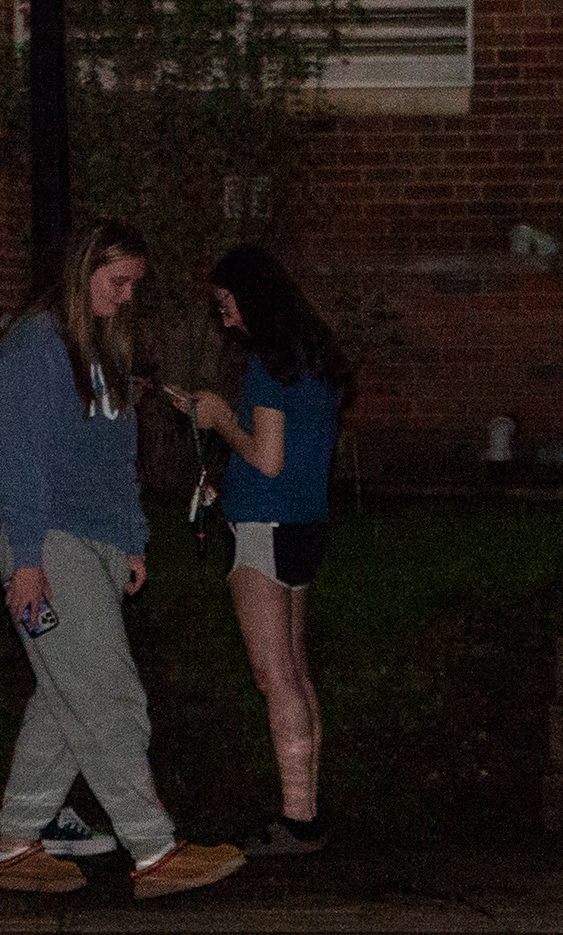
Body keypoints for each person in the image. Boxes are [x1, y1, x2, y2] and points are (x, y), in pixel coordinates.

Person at [0, 219, 243, 902]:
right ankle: (154, 850)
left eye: (135, 284)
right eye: (118, 280)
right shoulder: (32, 349)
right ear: (83, 269)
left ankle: (16, 844)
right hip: (47, 545)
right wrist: (29, 561)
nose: (128, 296)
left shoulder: (104, 348)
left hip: (95, 544)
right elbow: (18, 465)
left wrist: (132, 538)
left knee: (66, 694)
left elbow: (116, 455)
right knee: (110, 695)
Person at [163, 244, 350, 857]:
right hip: (304, 524)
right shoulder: (312, 359)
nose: (224, 317)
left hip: (267, 527)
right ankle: (308, 814)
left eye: (227, 304)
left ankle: (297, 821)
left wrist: (216, 417)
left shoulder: (270, 367)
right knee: (295, 670)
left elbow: (266, 456)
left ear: (253, 297)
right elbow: (291, 452)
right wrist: (223, 477)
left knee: (275, 677)